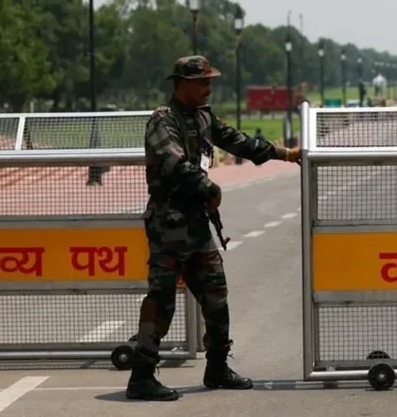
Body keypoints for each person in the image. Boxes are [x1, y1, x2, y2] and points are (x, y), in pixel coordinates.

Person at [125, 55, 301, 401]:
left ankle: (217, 368)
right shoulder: (163, 120)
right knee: (162, 301)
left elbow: (238, 141)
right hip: (168, 224)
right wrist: (209, 188)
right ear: (183, 84)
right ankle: (142, 376)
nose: (209, 88)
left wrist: (284, 154)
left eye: (210, 82)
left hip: (196, 225)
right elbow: (174, 163)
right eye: (203, 82)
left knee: (215, 295)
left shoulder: (203, 116)